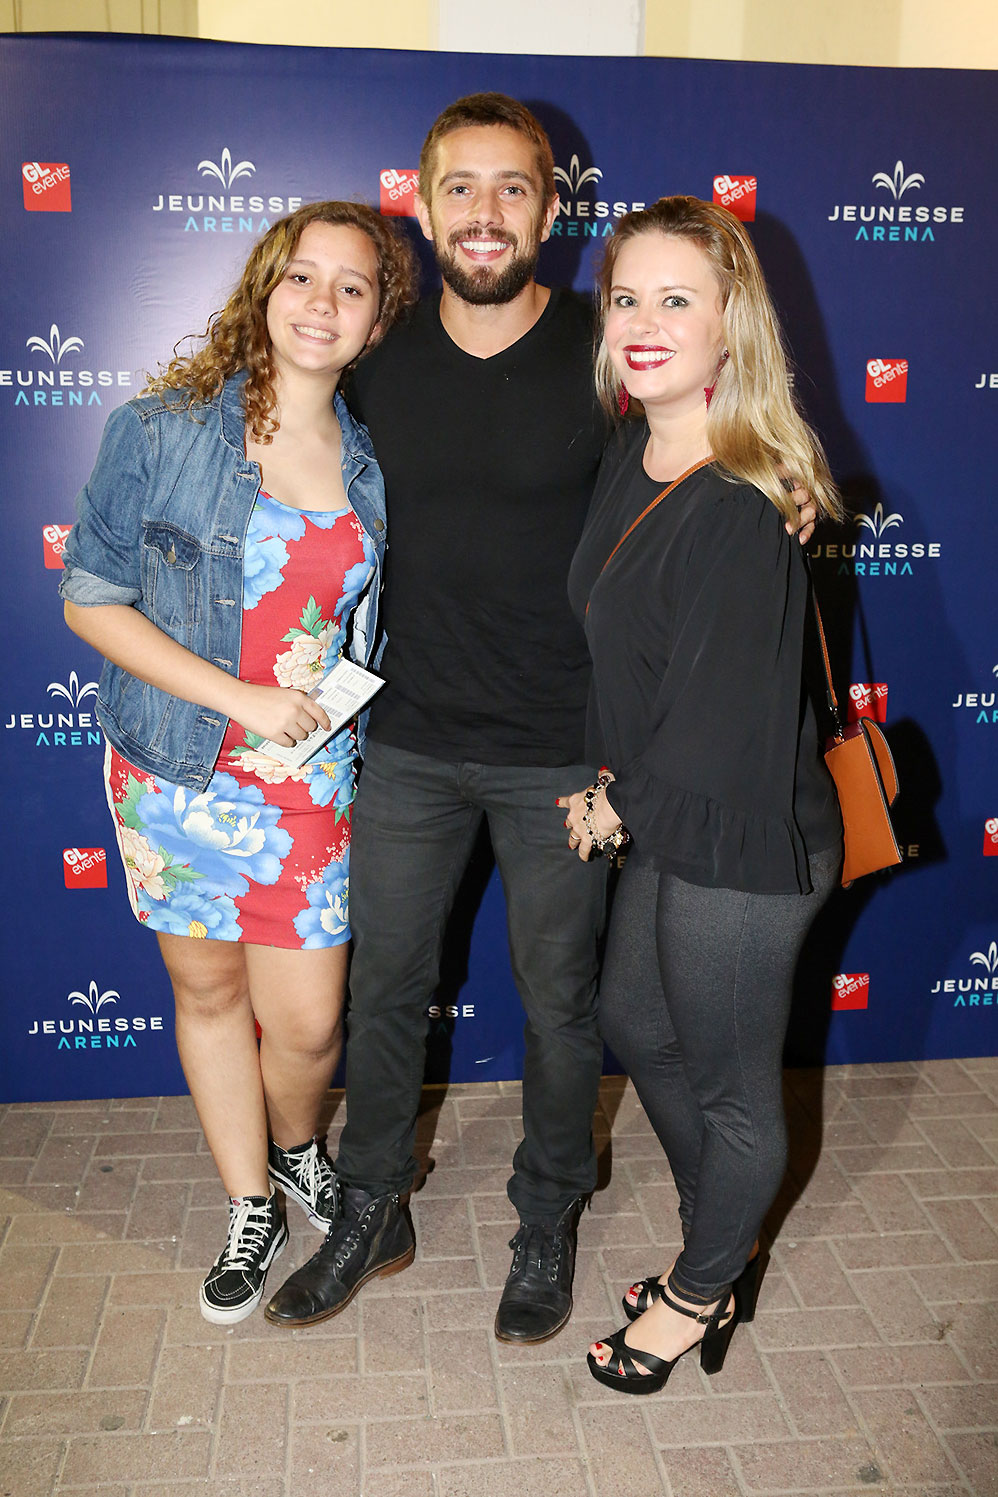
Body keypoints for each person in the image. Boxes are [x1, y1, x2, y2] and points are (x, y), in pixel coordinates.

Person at [264, 97, 816, 1344]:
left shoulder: (599, 343)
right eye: (459, 187)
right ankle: (370, 1208)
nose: (483, 213)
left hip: (563, 753)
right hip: (403, 738)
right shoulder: (377, 350)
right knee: (386, 989)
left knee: (562, 1005)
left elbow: (714, 425)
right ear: (420, 200)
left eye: (512, 189)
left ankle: (548, 1212)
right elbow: (272, 416)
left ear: (550, 208)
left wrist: (779, 479)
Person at [60, 201, 416, 1325]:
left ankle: (298, 1144)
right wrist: (239, 700)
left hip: (308, 780)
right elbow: (90, 600)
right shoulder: (161, 429)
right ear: (262, 291)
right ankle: (246, 1198)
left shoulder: (368, 456)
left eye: (350, 287)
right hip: (178, 766)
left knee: (308, 1023)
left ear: (373, 322)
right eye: (301, 277)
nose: (321, 303)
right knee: (206, 993)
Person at [556, 196, 843, 1393]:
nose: (641, 320)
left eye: (677, 299)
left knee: (727, 1081)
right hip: (666, 806)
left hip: (740, 834)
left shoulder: (737, 500)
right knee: (638, 1021)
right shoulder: (639, 446)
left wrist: (615, 804)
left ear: (733, 329)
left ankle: (701, 1289)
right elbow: (633, 656)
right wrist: (609, 779)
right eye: (626, 297)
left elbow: (726, 720)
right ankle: (720, 1224)